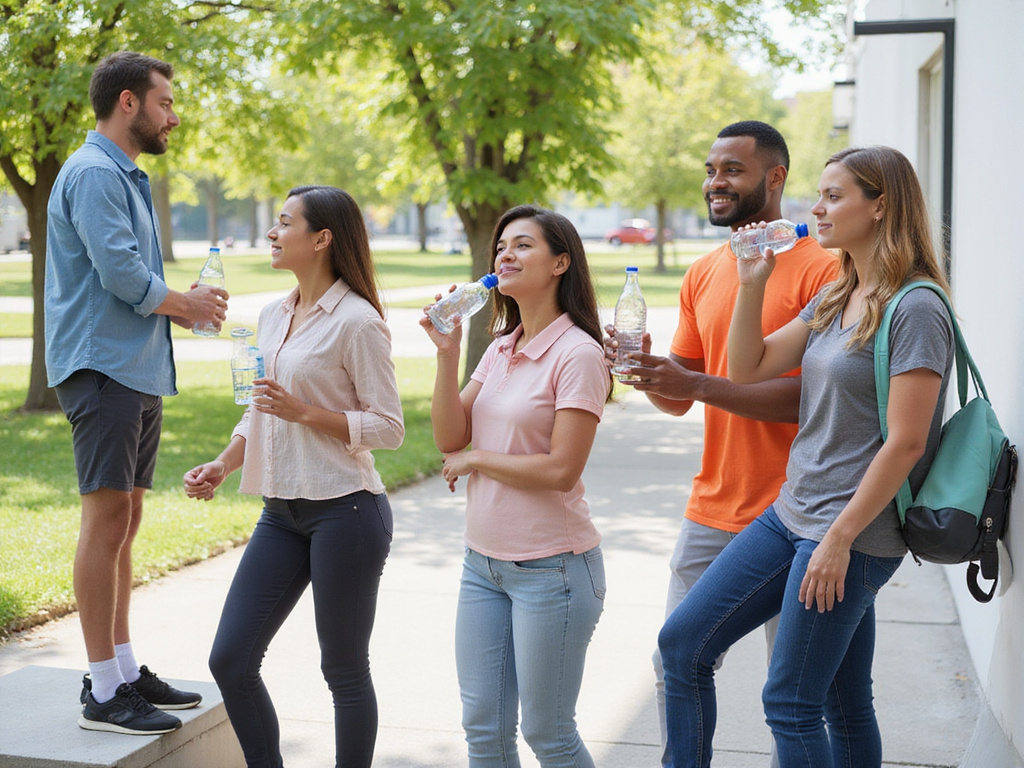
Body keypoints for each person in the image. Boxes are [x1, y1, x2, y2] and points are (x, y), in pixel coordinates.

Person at [659, 145, 955, 768]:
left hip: (853, 532)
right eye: (818, 195)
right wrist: (752, 284)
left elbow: (905, 440)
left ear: (880, 207)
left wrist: (840, 540)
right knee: (683, 645)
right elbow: (748, 369)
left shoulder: (917, 307)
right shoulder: (839, 293)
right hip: (791, 513)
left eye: (833, 196)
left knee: (792, 702)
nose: (815, 208)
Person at [609, 120, 838, 765]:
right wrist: (650, 368)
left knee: (794, 696)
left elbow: (809, 396)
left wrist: (698, 384)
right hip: (712, 508)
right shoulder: (705, 270)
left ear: (775, 178)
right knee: (674, 661)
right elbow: (679, 398)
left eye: (731, 170)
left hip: (798, 514)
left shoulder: (826, 271)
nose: (715, 182)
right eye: (711, 170)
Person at [183, 185, 404, 768]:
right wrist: (223, 463)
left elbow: (389, 427)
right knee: (230, 659)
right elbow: (261, 407)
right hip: (280, 513)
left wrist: (306, 412)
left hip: (347, 511)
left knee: (343, 670)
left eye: (285, 223)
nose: (273, 232)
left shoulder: (358, 321)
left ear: (322, 238)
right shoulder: (273, 313)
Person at [45, 51, 228, 735]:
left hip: (133, 368)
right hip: (103, 368)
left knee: (127, 520)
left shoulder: (122, 174)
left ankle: (122, 668)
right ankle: (101, 689)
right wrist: (190, 305)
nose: (172, 116)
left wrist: (184, 302)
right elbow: (121, 273)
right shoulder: (94, 172)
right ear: (129, 102)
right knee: (105, 520)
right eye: (165, 103)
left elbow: (129, 272)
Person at [421, 204, 612, 767]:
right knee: (484, 731)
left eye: (523, 245)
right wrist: (448, 352)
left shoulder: (578, 353)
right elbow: (448, 437)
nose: (505, 253)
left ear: (560, 263)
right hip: (482, 566)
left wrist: (479, 458)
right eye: (501, 246)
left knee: (549, 736)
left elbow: (561, 469)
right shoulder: (501, 347)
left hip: (553, 570)